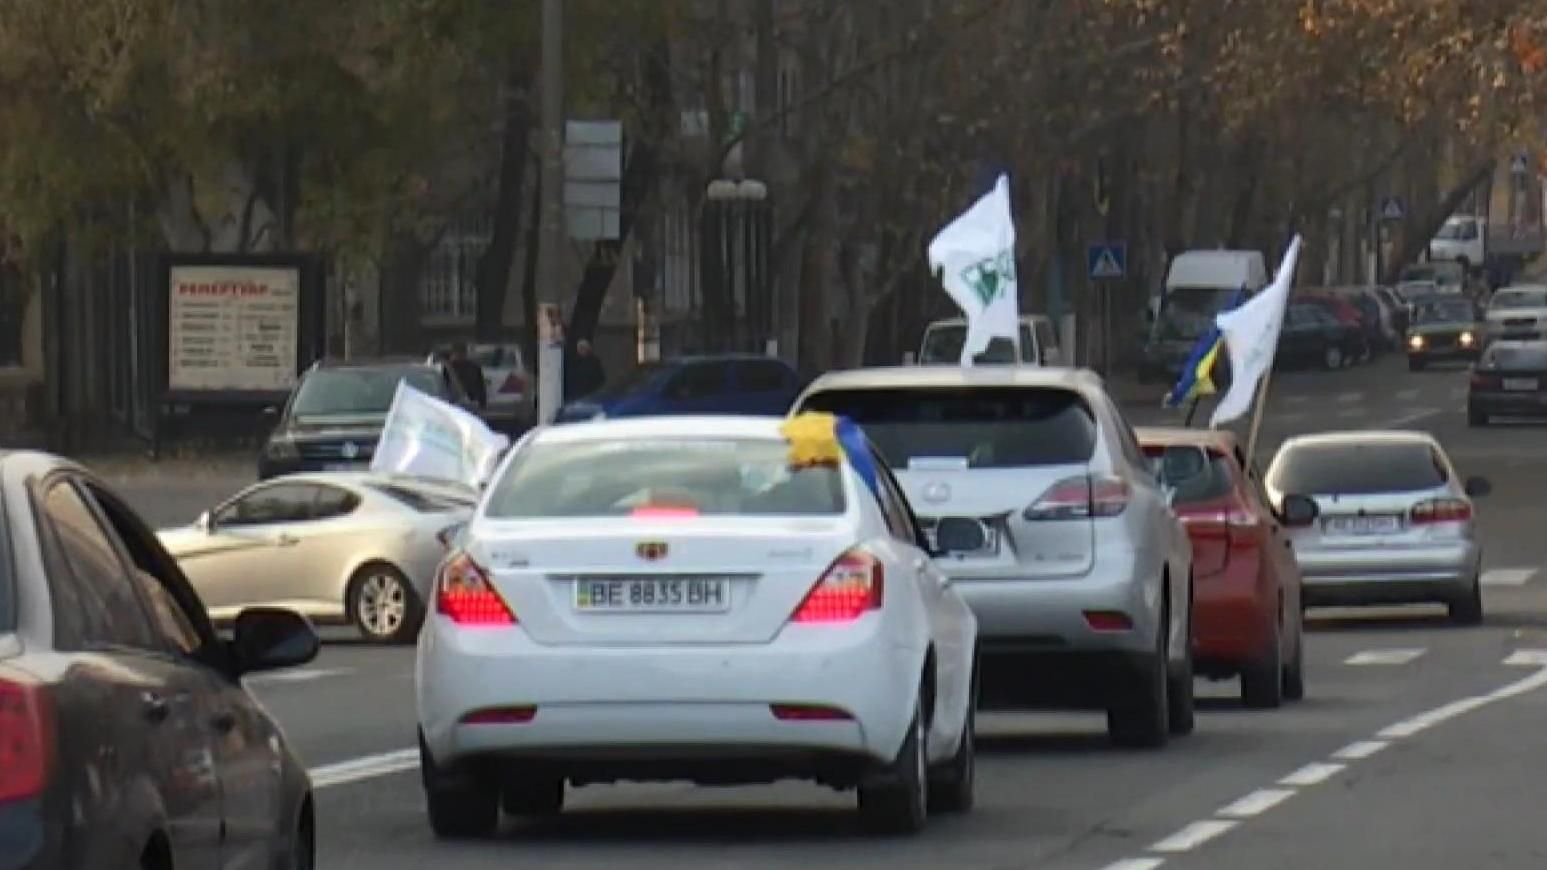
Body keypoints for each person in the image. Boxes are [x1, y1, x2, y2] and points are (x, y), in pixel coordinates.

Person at [447, 342, 487, 409]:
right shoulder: (447, 367)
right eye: (458, 353)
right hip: (454, 401)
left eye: (462, 352)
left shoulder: (474, 367)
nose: (460, 355)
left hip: (470, 400)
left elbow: (480, 385)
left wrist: (482, 401)